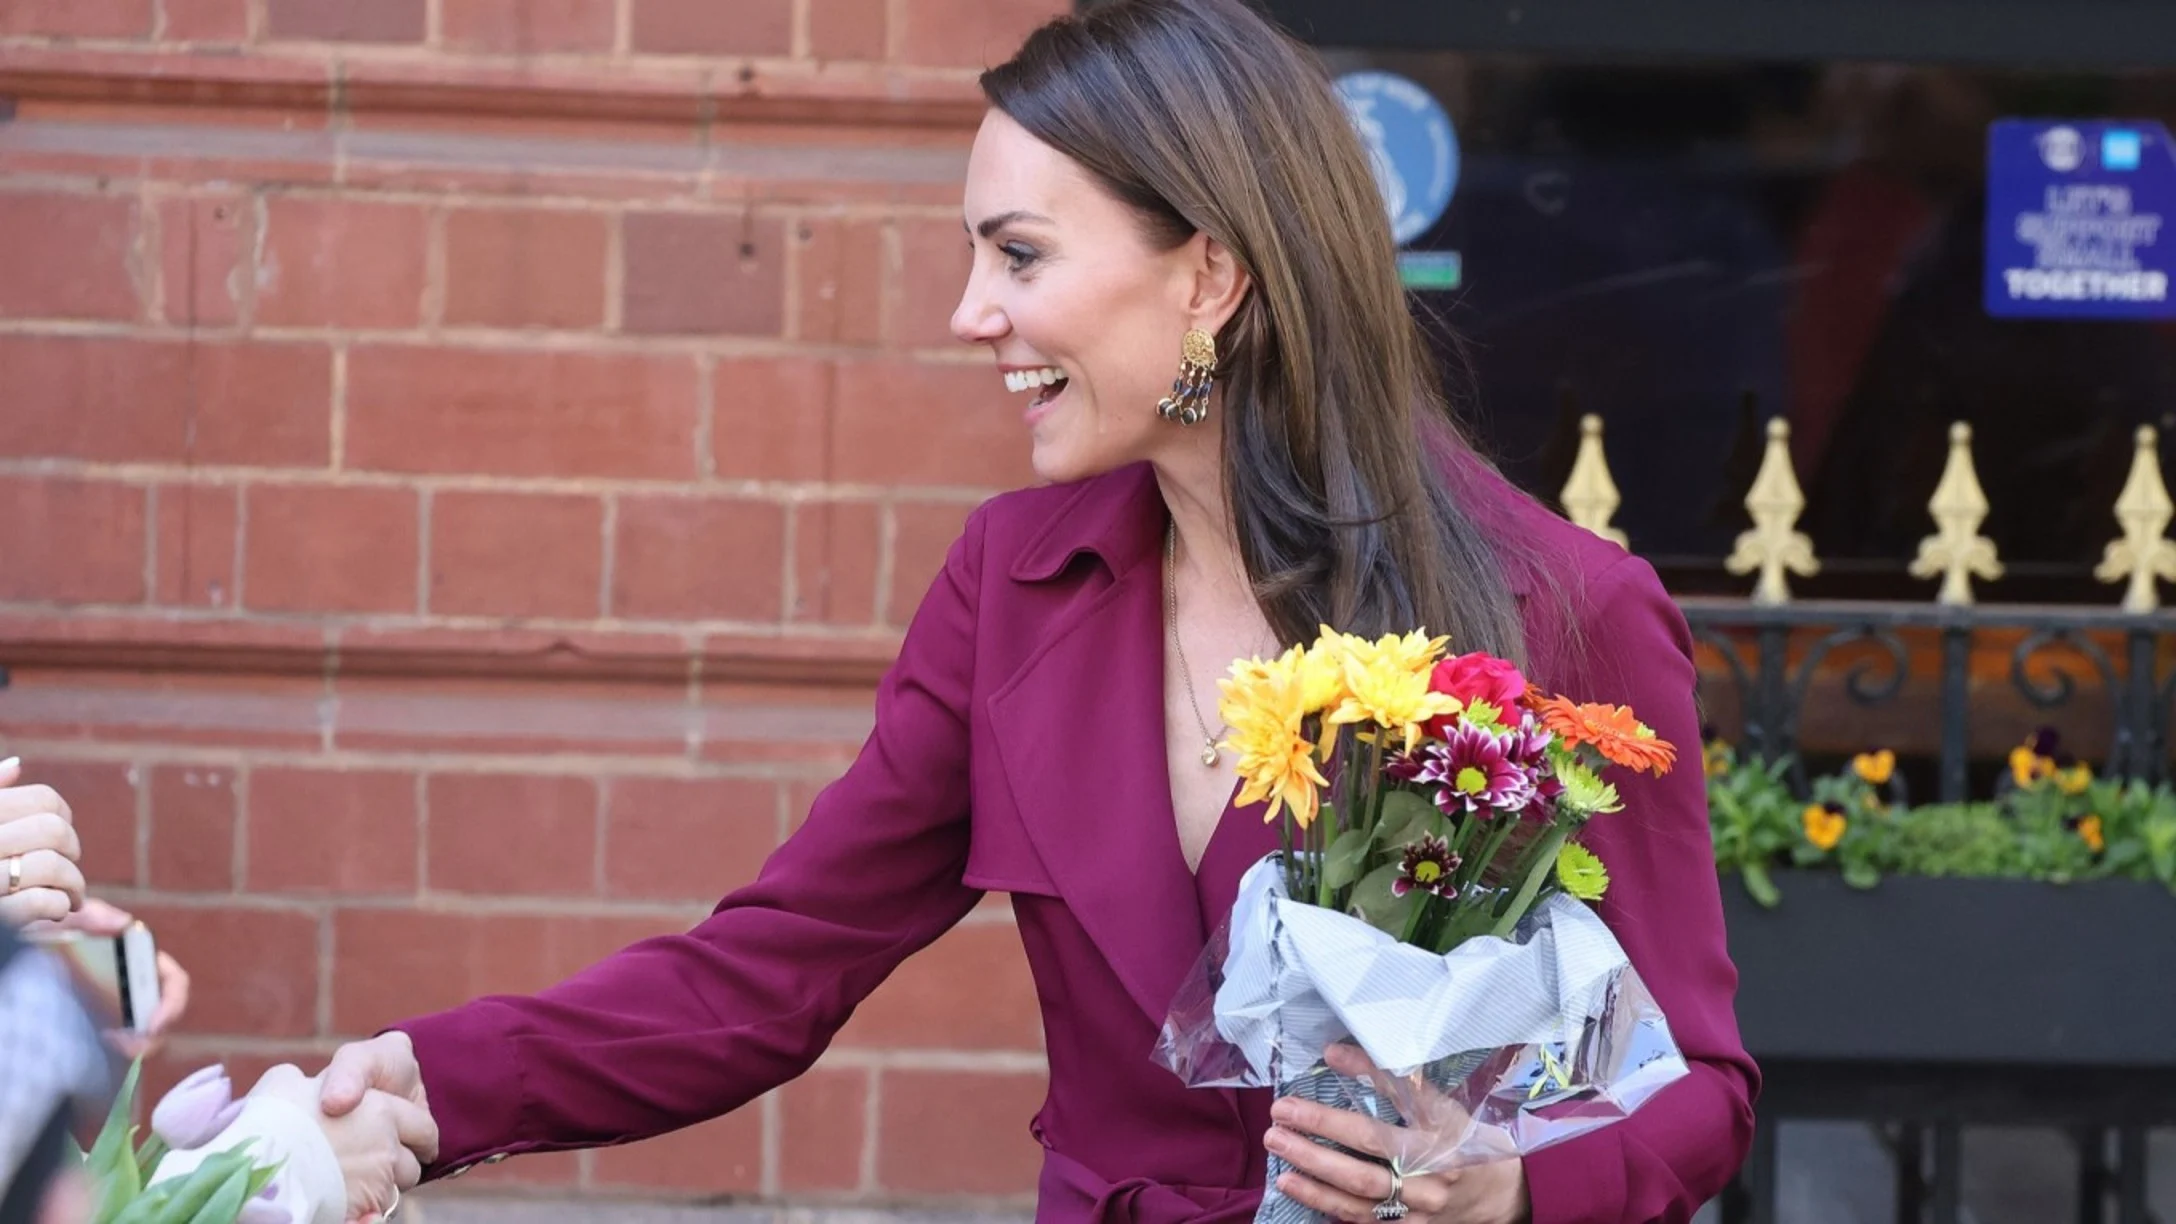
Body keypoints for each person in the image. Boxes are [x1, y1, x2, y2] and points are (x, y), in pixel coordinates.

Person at [91, 2, 1762, 1220]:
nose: (972, 314)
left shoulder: (1561, 609)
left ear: (1211, 279)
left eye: (1020, 256)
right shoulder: (1013, 586)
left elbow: (1700, 1093)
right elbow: (767, 975)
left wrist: (1504, 1199)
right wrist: (428, 1082)